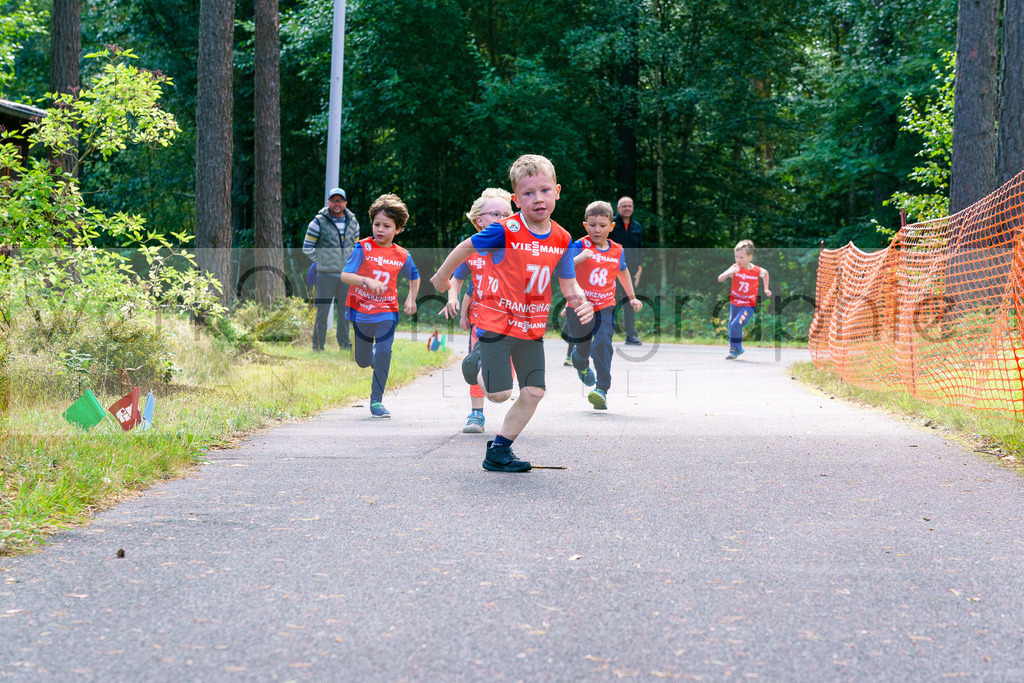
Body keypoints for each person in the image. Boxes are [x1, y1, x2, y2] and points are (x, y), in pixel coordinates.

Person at [430, 154, 594, 472]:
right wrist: (441, 276)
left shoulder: (562, 239)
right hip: (496, 324)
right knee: (499, 394)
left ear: (557, 191)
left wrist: (581, 301)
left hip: (531, 328)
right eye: (528, 193)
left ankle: (499, 451)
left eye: (545, 191)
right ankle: (475, 364)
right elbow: (466, 247)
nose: (538, 199)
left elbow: (569, 282)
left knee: (534, 392)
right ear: (516, 199)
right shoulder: (506, 230)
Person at [339, 194, 420, 417]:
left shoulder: (402, 254)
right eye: (377, 224)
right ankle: (372, 359)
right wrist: (366, 280)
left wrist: (412, 298)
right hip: (360, 311)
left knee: (384, 351)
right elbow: (345, 275)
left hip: (387, 311)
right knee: (363, 361)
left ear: (398, 229)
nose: (380, 230)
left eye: (386, 226)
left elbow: (414, 275)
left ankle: (376, 401)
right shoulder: (363, 247)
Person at [441, 188, 514, 434]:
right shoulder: (472, 251)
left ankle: (485, 372)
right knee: (485, 366)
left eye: (507, 213)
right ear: (478, 221)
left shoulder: (519, 249)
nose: (502, 218)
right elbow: (457, 280)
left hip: (513, 322)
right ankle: (476, 415)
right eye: (495, 214)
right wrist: (453, 299)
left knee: (504, 383)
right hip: (481, 320)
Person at [564, 200, 642, 410]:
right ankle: (579, 361)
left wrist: (632, 297)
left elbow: (623, 272)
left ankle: (601, 389)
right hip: (579, 307)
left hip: (605, 306)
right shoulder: (580, 245)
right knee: (583, 348)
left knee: (602, 343)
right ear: (585, 225)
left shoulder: (617, 250)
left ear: (611, 226)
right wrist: (581, 257)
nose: (597, 230)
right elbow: (562, 268)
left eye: (602, 225)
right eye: (592, 225)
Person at [303, 187, 360, 351]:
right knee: (322, 312)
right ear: (328, 202)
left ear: (345, 203)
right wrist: (320, 261)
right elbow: (307, 247)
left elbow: (356, 247)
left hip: (346, 275)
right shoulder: (318, 222)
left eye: (340, 200)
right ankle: (318, 346)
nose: (337, 203)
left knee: (345, 311)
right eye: (334, 200)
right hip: (326, 275)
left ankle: (344, 344)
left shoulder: (353, 222)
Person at [717, 239, 771, 360]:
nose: (738, 260)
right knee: (731, 326)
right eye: (736, 257)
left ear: (750, 257)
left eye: (741, 257)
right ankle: (738, 348)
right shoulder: (735, 267)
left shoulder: (757, 270)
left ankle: (734, 350)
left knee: (737, 324)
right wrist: (730, 272)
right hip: (735, 303)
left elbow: (766, 273)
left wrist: (766, 289)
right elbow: (720, 278)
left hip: (748, 305)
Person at [610, 196, 644, 345]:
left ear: (633, 208)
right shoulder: (610, 226)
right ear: (618, 208)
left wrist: (640, 270)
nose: (627, 208)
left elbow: (639, 249)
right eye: (624, 206)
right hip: (612, 270)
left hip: (631, 271)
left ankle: (631, 335)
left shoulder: (636, 226)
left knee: (630, 303)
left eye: (629, 206)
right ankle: (605, 333)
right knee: (610, 303)